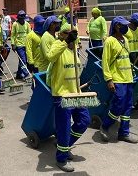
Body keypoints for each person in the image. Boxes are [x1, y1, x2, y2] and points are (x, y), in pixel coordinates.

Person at [47, 23, 90, 172]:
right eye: (68, 33)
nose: (72, 35)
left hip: (75, 93)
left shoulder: (74, 50)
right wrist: (65, 42)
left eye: (74, 33)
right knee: (64, 127)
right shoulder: (58, 45)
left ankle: (64, 145)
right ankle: (61, 157)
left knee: (84, 120)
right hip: (62, 94)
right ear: (62, 34)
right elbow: (50, 57)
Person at [100, 16, 138, 143]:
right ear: (116, 26)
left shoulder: (125, 40)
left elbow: (127, 58)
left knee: (128, 106)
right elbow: (105, 62)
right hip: (117, 78)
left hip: (128, 78)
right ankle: (105, 126)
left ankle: (124, 133)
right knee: (118, 104)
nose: (126, 27)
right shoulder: (109, 41)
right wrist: (109, 79)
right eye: (123, 25)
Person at [11, 10, 31, 80]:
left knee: (21, 61)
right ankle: (26, 74)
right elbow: (13, 35)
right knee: (23, 60)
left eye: (22, 18)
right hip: (19, 45)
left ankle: (19, 74)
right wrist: (13, 44)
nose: (21, 20)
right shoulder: (15, 24)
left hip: (26, 45)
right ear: (18, 18)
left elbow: (30, 35)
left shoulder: (27, 24)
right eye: (20, 18)